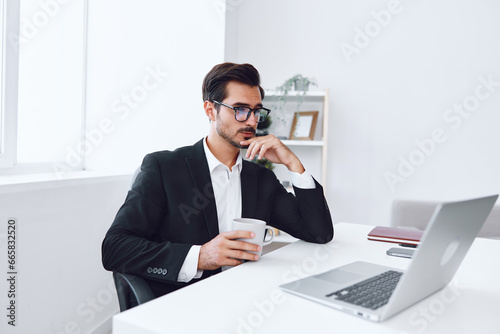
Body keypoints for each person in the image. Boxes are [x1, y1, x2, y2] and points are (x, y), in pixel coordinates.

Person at [102, 62, 334, 298]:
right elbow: (115, 248)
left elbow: (319, 233)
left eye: (256, 111)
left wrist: (293, 164)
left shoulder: (260, 178)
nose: (252, 121)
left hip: (245, 298)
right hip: (183, 302)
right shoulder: (163, 168)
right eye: (240, 109)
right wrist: (200, 256)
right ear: (210, 110)